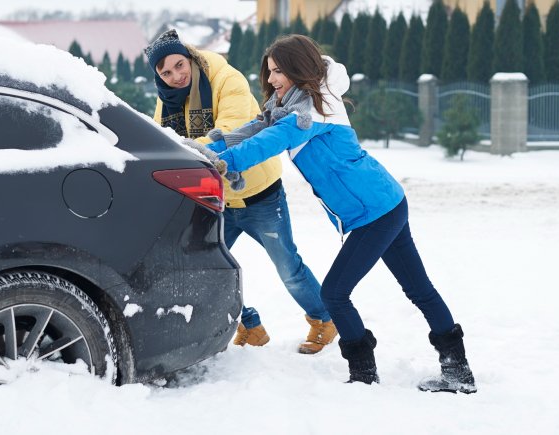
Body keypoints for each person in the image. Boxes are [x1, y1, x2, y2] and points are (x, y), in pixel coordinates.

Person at [209, 34, 476, 393]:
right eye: (269, 71)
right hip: (384, 202)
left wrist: (225, 162)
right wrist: (205, 150)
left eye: (278, 71)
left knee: (335, 294)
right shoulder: (291, 106)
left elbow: (268, 141)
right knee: (417, 288)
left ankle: (364, 373)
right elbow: (253, 131)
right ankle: (457, 371)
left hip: (376, 211)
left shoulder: (312, 111)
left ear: (297, 69)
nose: (271, 79)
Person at [144, 29, 337, 354]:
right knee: (201, 267)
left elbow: (231, 131)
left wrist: (186, 151)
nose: (176, 76)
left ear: (189, 58)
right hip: (215, 199)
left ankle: (324, 320)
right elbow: (165, 140)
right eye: (166, 73)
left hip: (260, 193)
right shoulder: (167, 100)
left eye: (179, 65)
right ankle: (249, 325)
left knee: (288, 267)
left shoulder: (225, 79)